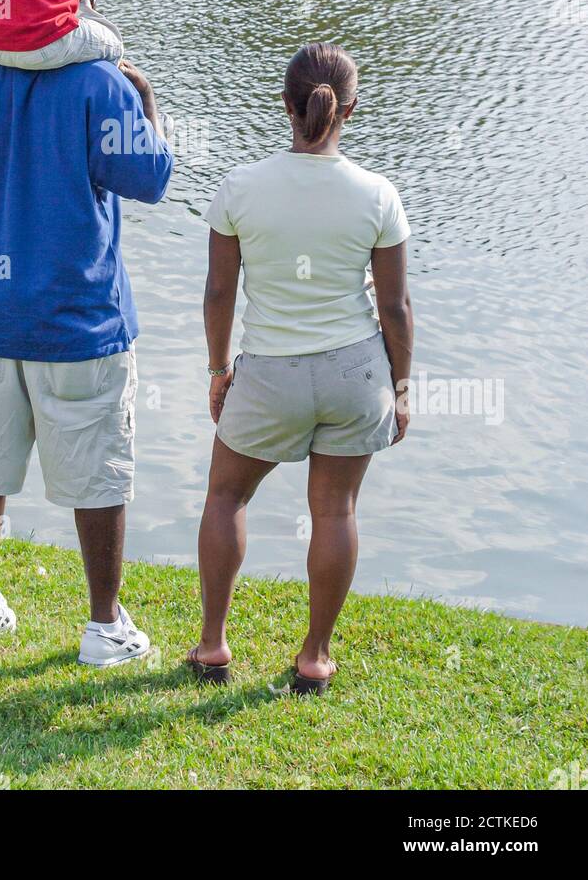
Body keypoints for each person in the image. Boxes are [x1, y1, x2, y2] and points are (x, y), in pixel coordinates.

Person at [0, 3, 173, 663]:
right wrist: (147, 101)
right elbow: (151, 177)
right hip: (81, 321)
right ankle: (103, 625)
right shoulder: (101, 83)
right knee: (99, 475)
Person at [189, 42, 413, 693]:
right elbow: (395, 308)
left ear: (285, 105)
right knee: (336, 512)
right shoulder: (378, 193)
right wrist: (400, 387)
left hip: (270, 373)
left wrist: (217, 368)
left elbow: (218, 293)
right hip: (354, 374)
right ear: (352, 108)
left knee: (226, 495)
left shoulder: (240, 187)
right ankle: (314, 658)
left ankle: (212, 649)